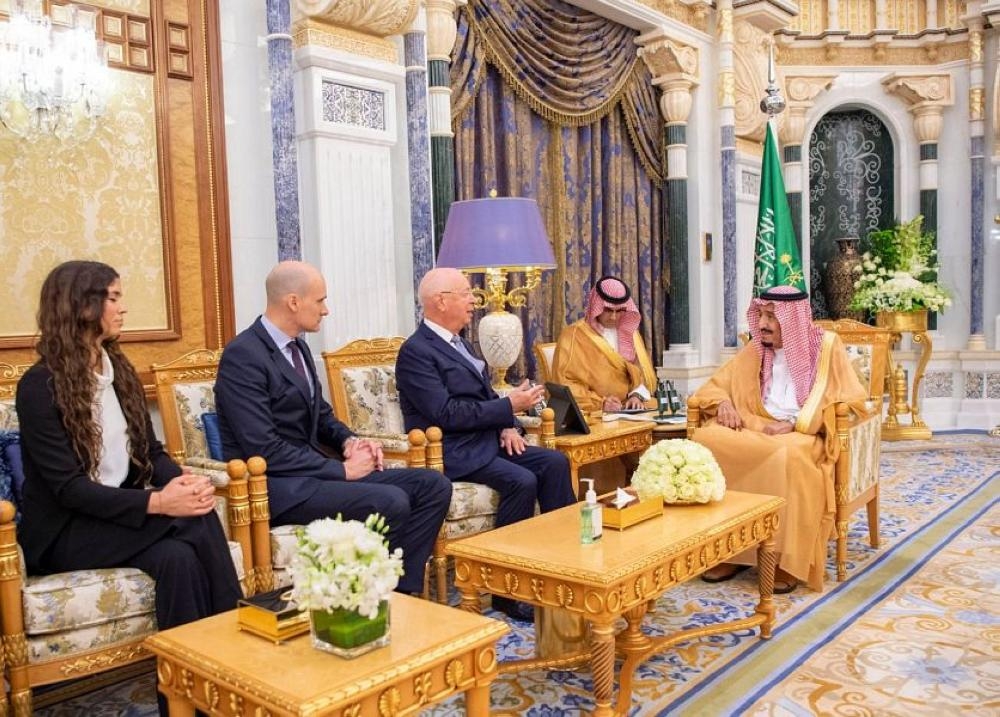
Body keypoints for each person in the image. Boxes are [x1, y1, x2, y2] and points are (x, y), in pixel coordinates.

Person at [16, 261, 241, 716]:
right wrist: (160, 502)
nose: (122, 308)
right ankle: (236, 662)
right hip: (66, 531)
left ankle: (184, 702)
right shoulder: (39, 386)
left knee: (177, 557)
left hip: (119, 520)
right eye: (114, 298)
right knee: (193, 523)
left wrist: (182, 481)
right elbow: (68, 489)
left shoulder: (117, 369)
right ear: (83, 306)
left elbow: (150, 451)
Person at [214, 261, 451, 595]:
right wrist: (342, 470)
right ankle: (373, 595)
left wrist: (350, 441)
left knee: (433, 485)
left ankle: (400, 591)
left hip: (316, 474)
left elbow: (321, 416)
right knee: (391, 501)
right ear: (293, 302)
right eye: (320, 301)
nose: (326, 310)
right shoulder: (243, 356)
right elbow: (263, 448)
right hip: (278, 487)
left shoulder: (298, 347)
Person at [395, 267, 575, 621]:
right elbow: (444, 414)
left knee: (554, 463)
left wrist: (507, 423)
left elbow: (486, 395)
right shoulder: (416, 352)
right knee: (521, 480)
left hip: (486, 440)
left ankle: (566, 568)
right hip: (451, 450)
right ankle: (505, 590)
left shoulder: (459, 341)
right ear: (440, 301)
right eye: (465, 294)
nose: (473, 302)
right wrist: (508, 407)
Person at [690, 285, 869, 593]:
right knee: (707, 440)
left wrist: (794, 423)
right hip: (757, 426)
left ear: (792, 319)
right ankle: (730, 551)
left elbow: (849, 400)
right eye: (760, 315)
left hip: (802, 433)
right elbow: (715, 386)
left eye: (771, 317)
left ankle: (784, 558)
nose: (762, 324)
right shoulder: (755, 349)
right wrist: (723, 403)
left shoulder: (826, 348)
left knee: (787, 457)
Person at [552, 275, 658, 413]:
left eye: (619, 311)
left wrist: (636, 396)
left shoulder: (631, 334)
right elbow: (563, 384)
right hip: (593, 411)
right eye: (608, 310)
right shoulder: (573, 335)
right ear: (596, 306)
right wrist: (601, 403)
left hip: (628, 410)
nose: (614, 317)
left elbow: (641, 374)